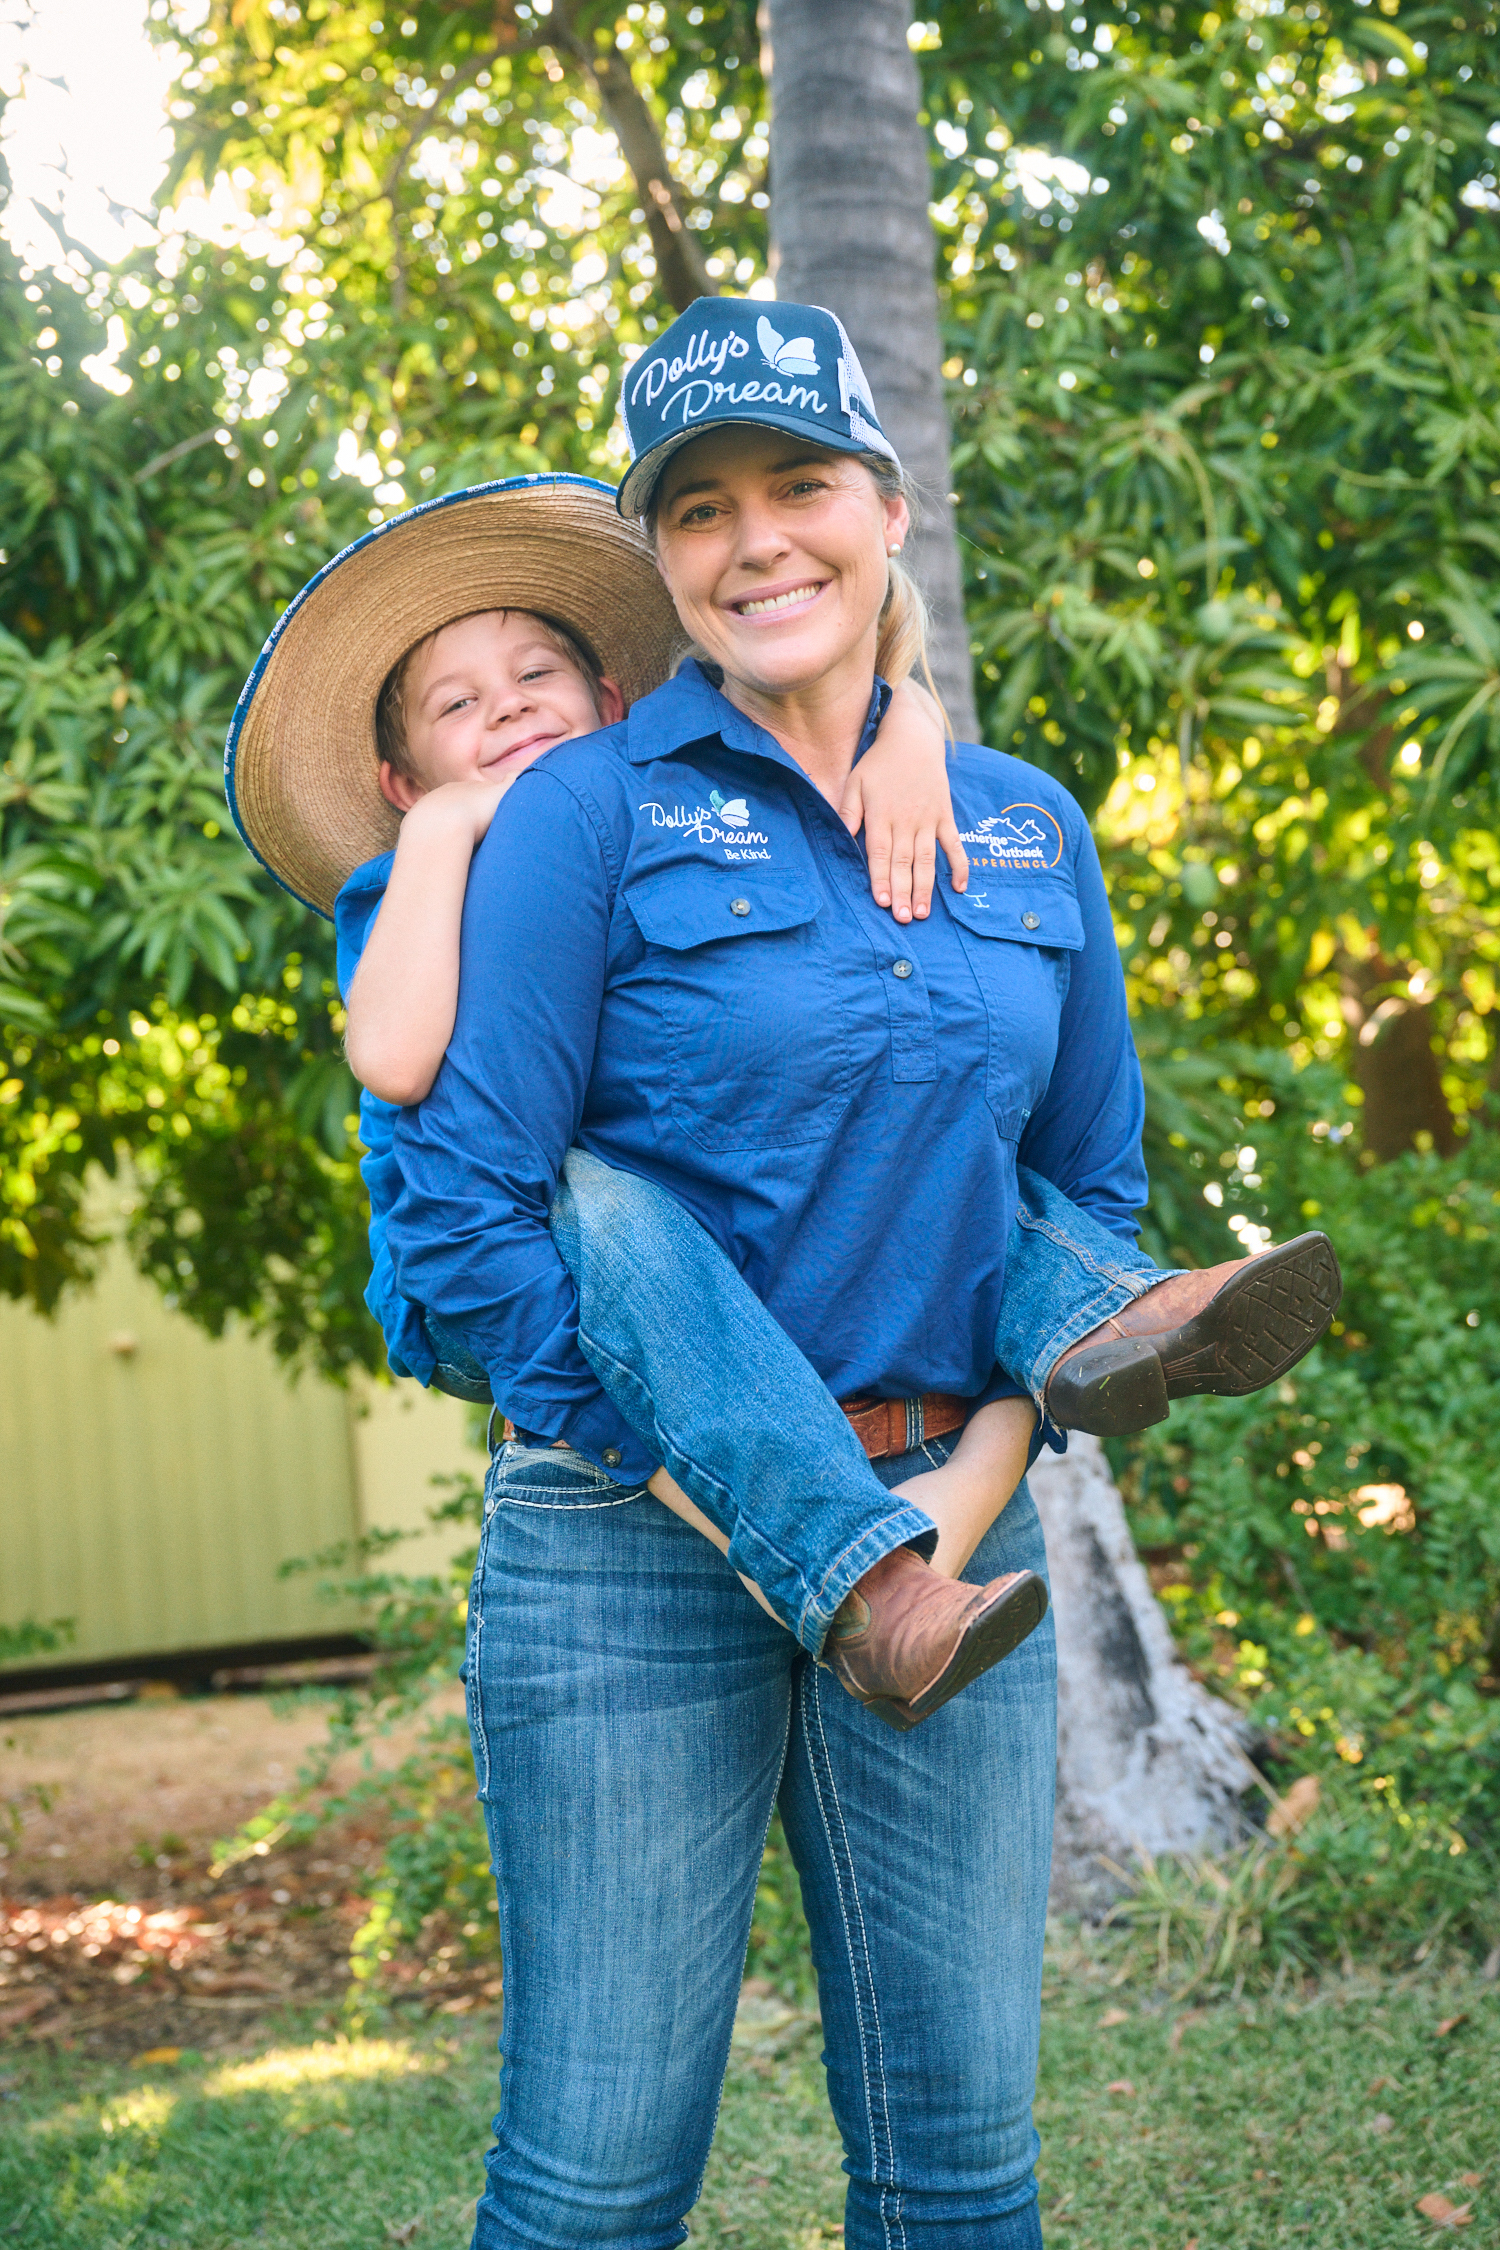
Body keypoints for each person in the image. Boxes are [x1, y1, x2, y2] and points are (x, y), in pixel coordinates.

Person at [362, 298, 1341, 2245]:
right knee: (596, 2176)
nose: (757, 539)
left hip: (951, 1548)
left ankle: (890, 1565)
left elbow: (1087, 1184)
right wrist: (764, 1528)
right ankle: (838, 1562)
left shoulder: (1024, 826)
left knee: (962, 2163)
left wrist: (945, 1520)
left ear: (886, 506)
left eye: (800, 483)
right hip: (630, 1551)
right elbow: (470, 1225)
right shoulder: (582, 811)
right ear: (662, 559)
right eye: (701, 506)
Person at [225, 472, 1338, 1731]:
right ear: (398, 774)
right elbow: (391, 1058)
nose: (506, 712)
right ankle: (864, 1578)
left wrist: (910, 724)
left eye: (535, 680)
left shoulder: (664, 812)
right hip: (552, 1275)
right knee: (612, 1197)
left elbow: (847, 670)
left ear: (609, 706)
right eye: (459, 707)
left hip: (840, 1374)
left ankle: (1108, 1313)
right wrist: (442, 838)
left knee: (963, 1156)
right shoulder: (437, 858)